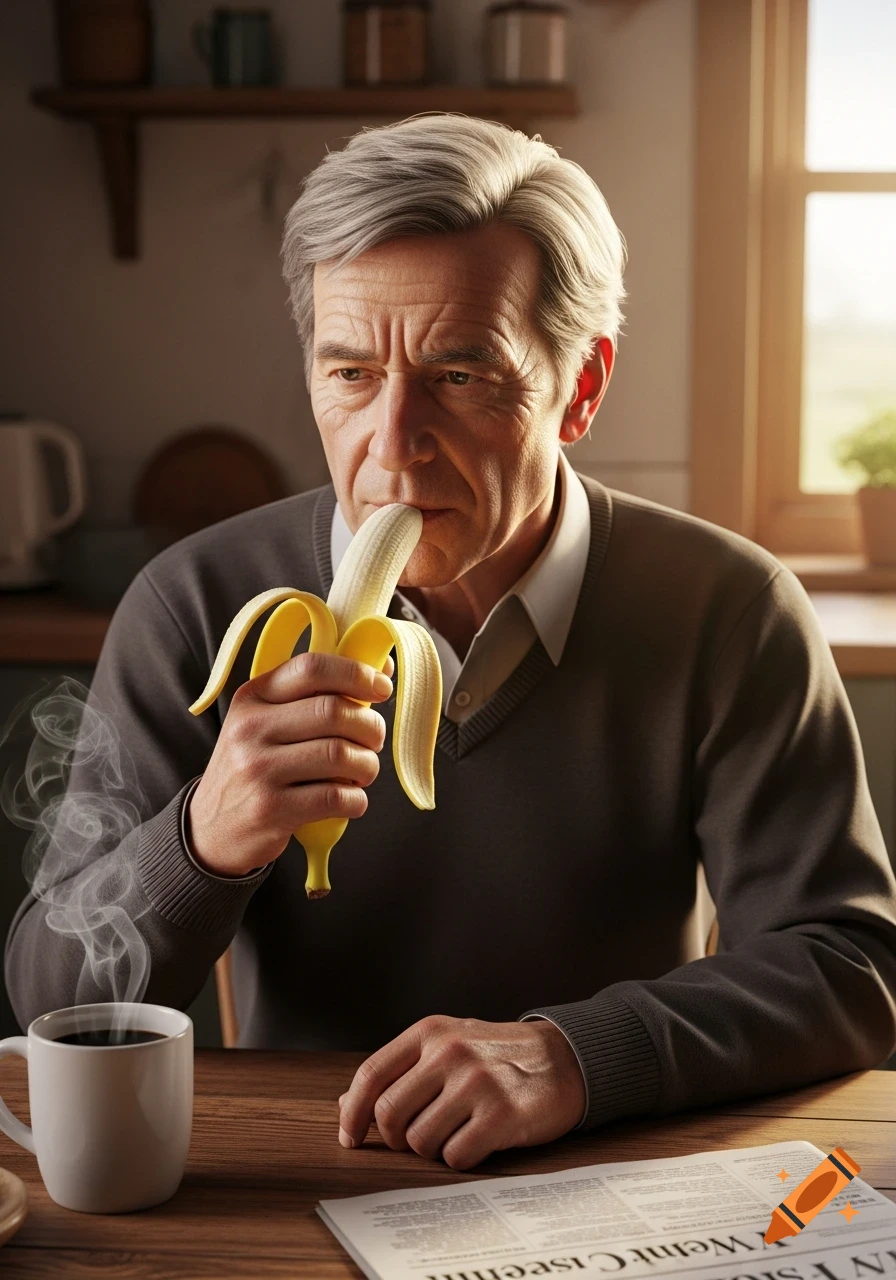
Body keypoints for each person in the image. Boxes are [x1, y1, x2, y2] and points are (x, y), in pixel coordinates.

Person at [6, 113, 896, 1174]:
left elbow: (847, 968)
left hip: (615, 1178)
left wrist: (574, 1055)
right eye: (349, 376)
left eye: (458, 376)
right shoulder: (194, 603)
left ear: (581, 386)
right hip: (298, 1179)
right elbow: (47, 997)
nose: (390, 444)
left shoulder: (730, 608)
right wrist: (200, 838)